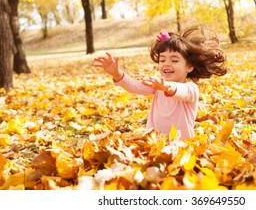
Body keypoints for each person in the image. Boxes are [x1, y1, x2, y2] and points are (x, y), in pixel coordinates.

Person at [93, 26, 227, 140]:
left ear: (189, 67)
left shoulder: (191, 89)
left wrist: (165, 87)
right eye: (162, 60)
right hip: (154, 143)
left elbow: (179, 91)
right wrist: (117, 74)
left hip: (181, 146)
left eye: (174, 60)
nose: (167, 64)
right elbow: (135, 86)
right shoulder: (157, 84)